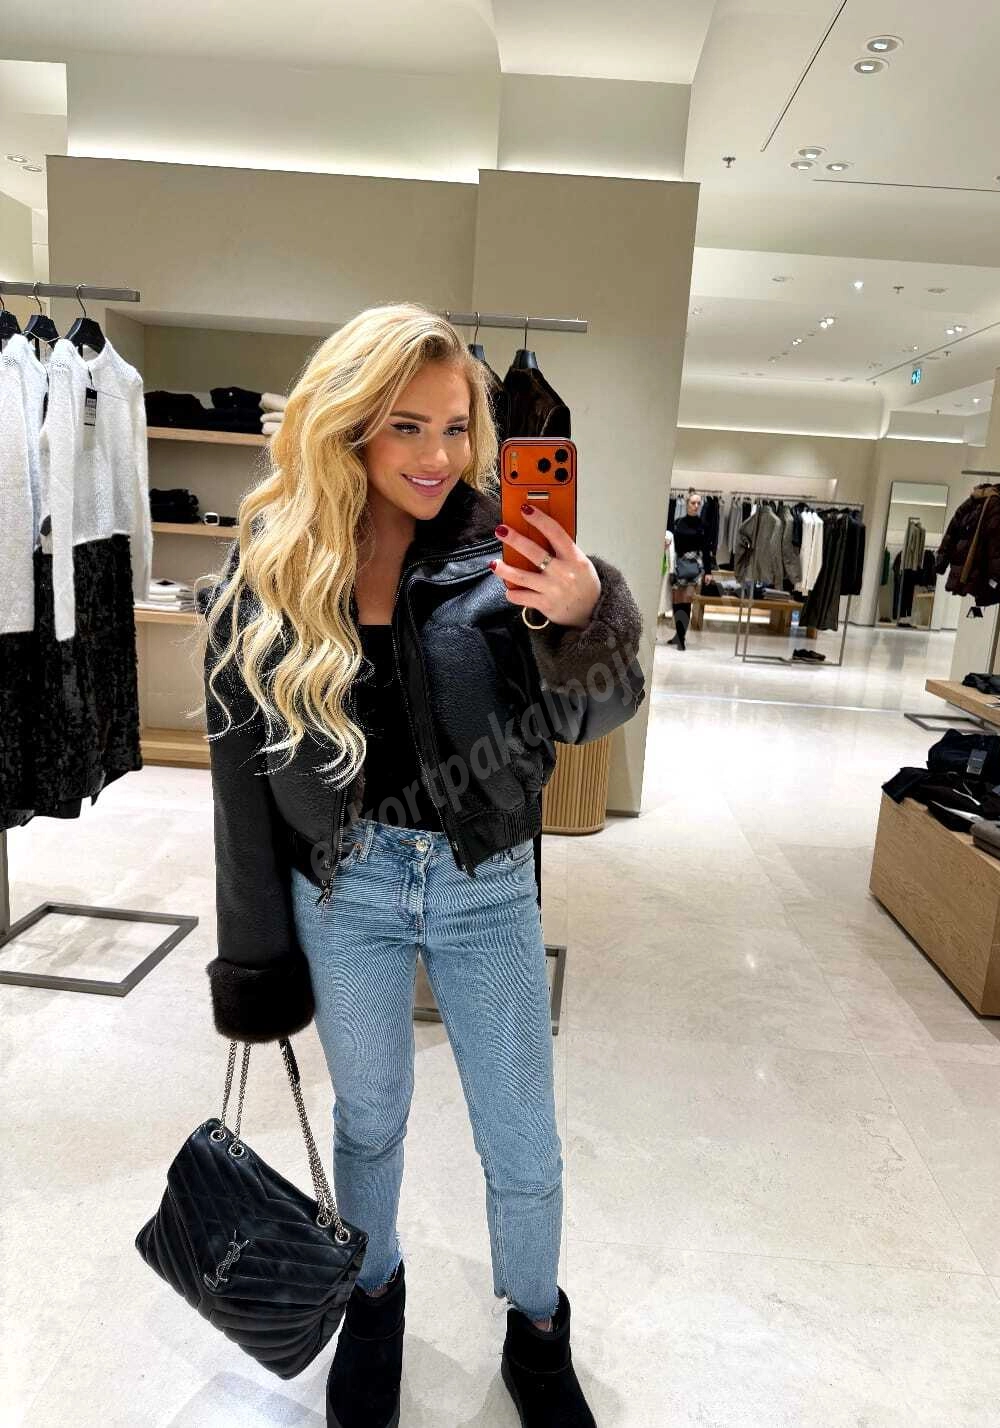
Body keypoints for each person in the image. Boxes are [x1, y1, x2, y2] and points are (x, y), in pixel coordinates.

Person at [198, 303, 646, 1428]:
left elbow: (596, 716)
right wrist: (255, 957)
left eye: (455, 426)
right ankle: (373, 1304)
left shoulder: (509, 551)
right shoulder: (273, 564)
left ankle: (537, 1332)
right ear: (347, 426)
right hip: (341, 888)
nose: (439, 455)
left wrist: (584, 614)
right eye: (407, 426)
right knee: (370, 1119)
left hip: (483, 884)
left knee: (522, 1136)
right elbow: (240, 786)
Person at [667, 489, 716, 650]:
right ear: (687, 504)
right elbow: (672, 544)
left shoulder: (704, 525)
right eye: (693, 503)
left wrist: (708, 571)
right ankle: (677, 634)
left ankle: (681, 638)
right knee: (677, 602)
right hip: (678, 566)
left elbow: (706, 549)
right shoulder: (678, 523)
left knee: (686, 602)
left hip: (694, 569)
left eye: (698, 503)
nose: (696, 506)